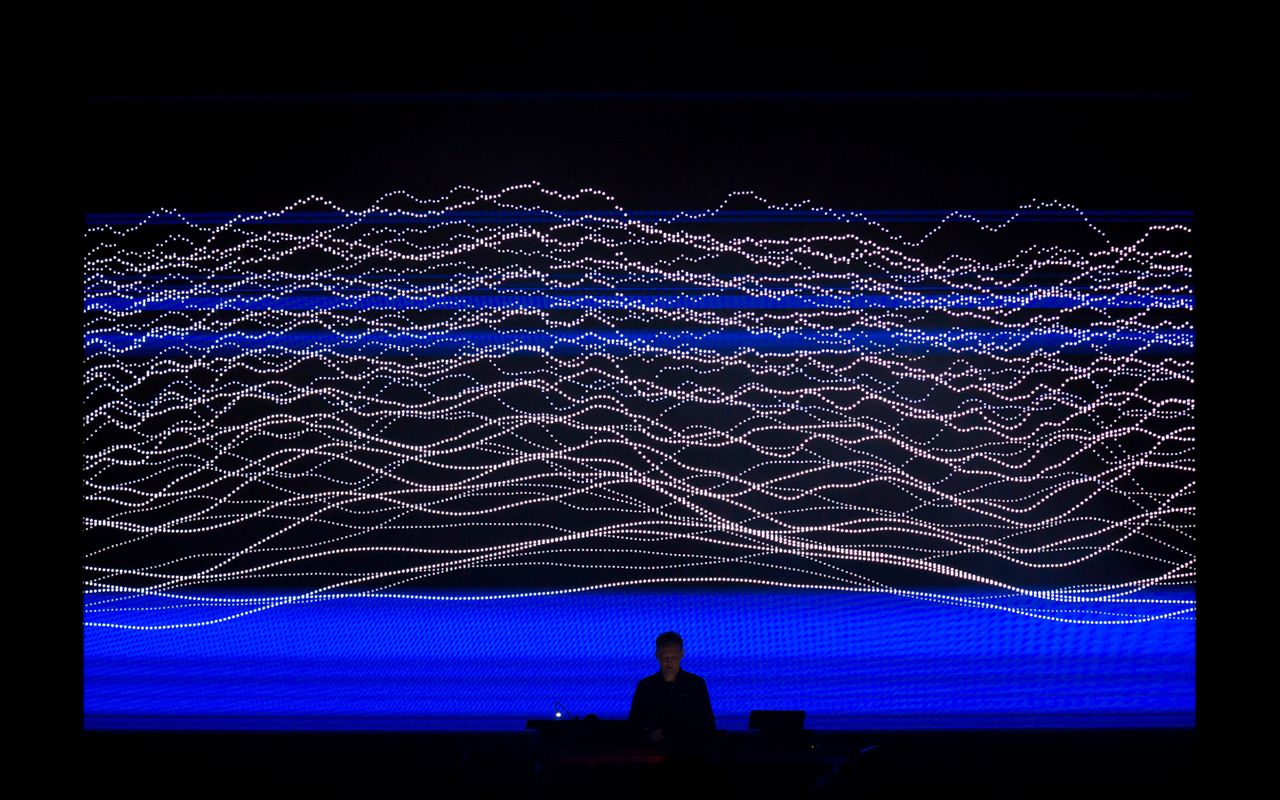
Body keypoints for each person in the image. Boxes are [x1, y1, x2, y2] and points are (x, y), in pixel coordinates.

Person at [628, 631, 715, 742]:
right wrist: (649, 734)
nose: (669, 661)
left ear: (682, 654)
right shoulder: (645, 686)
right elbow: (634, 725)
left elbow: (708, 724)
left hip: (688, 748)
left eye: (674, 657)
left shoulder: (696, 684)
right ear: (657, 654)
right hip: (655, 748)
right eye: (665, 657)